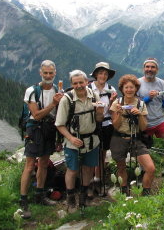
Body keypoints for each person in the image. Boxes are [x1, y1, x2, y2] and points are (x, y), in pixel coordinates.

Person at [19, 60, 64, 219]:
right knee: (30, 165)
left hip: (50, 129)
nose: (48, 76)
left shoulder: (58, 91)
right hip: (35, 129)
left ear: (55, 73)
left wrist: (59, 138)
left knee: (44, 163)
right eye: (45, 73)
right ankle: (23, 200)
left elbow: (59, 116)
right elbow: (36, 114)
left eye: (51, 73)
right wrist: (53, 103)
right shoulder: (32, 91)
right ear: (40, 73)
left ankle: (40, 194)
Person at [55, 70, 104, 212]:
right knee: (72, 169)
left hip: (91, 140)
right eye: (75, 83)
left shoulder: (94, 95)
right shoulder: (67, 99)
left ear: (87, 82)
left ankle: (83, 196)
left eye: (81, 82)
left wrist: (100, 111)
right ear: (71, 84)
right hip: (72, 141)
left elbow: (99, 119)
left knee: (88, 168)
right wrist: (71, 138)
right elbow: (59, 124)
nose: (78, 86)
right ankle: (70, 199)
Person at [110, 74, 155, 196]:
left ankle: (145, 193)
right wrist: (119, 114)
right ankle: (124, 190)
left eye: (132, 87)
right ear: (122, 89)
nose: (129, 90)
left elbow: (143, 127)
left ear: (136, 89)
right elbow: (115, 126)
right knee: (121, 167)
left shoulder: (140, 104)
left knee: (150, 168)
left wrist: (139, 115)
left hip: (136, 138)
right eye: (126, 87)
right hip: (119, 138)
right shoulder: (117, 103)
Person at [137, 58, 164, 174]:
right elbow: (135, 105)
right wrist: (148, 98)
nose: (149, 69)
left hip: (160, 120)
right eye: (147, 67)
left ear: (157, 69)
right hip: (143, 121)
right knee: (141, 148)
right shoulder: (137, 83)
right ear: (143, 69)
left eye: (152, 67)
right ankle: (142, 172)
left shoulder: (162, 83)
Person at [88, 62, 118, 196]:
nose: (103, 76)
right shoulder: (88, 88)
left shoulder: (111, 90)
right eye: (100, 73)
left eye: (105, 74)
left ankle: (98, 180)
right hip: (90, 125)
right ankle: (88, 182)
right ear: (95, 74)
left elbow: (113, 110)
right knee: (90, 153)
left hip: (106, 124)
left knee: (102, 153)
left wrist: (113, 102)